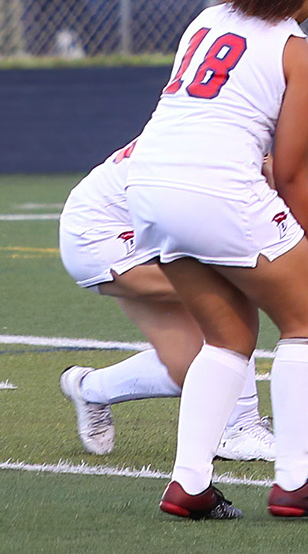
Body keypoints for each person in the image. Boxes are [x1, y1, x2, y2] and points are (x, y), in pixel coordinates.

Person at [127, 0, 308, 520]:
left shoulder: (206, 21)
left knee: (229, 337)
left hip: (147, 189)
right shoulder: (295, 51)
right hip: (218, 189)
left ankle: (189, 485)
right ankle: (295, 483)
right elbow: (291, 177)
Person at [56, 140, 274, 461]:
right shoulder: (205, 152)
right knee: (228, 289)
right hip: (102, 237)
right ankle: (239, 428)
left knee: (189, 368)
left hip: (138, 231)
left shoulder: (223, 140)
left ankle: (88, 389)